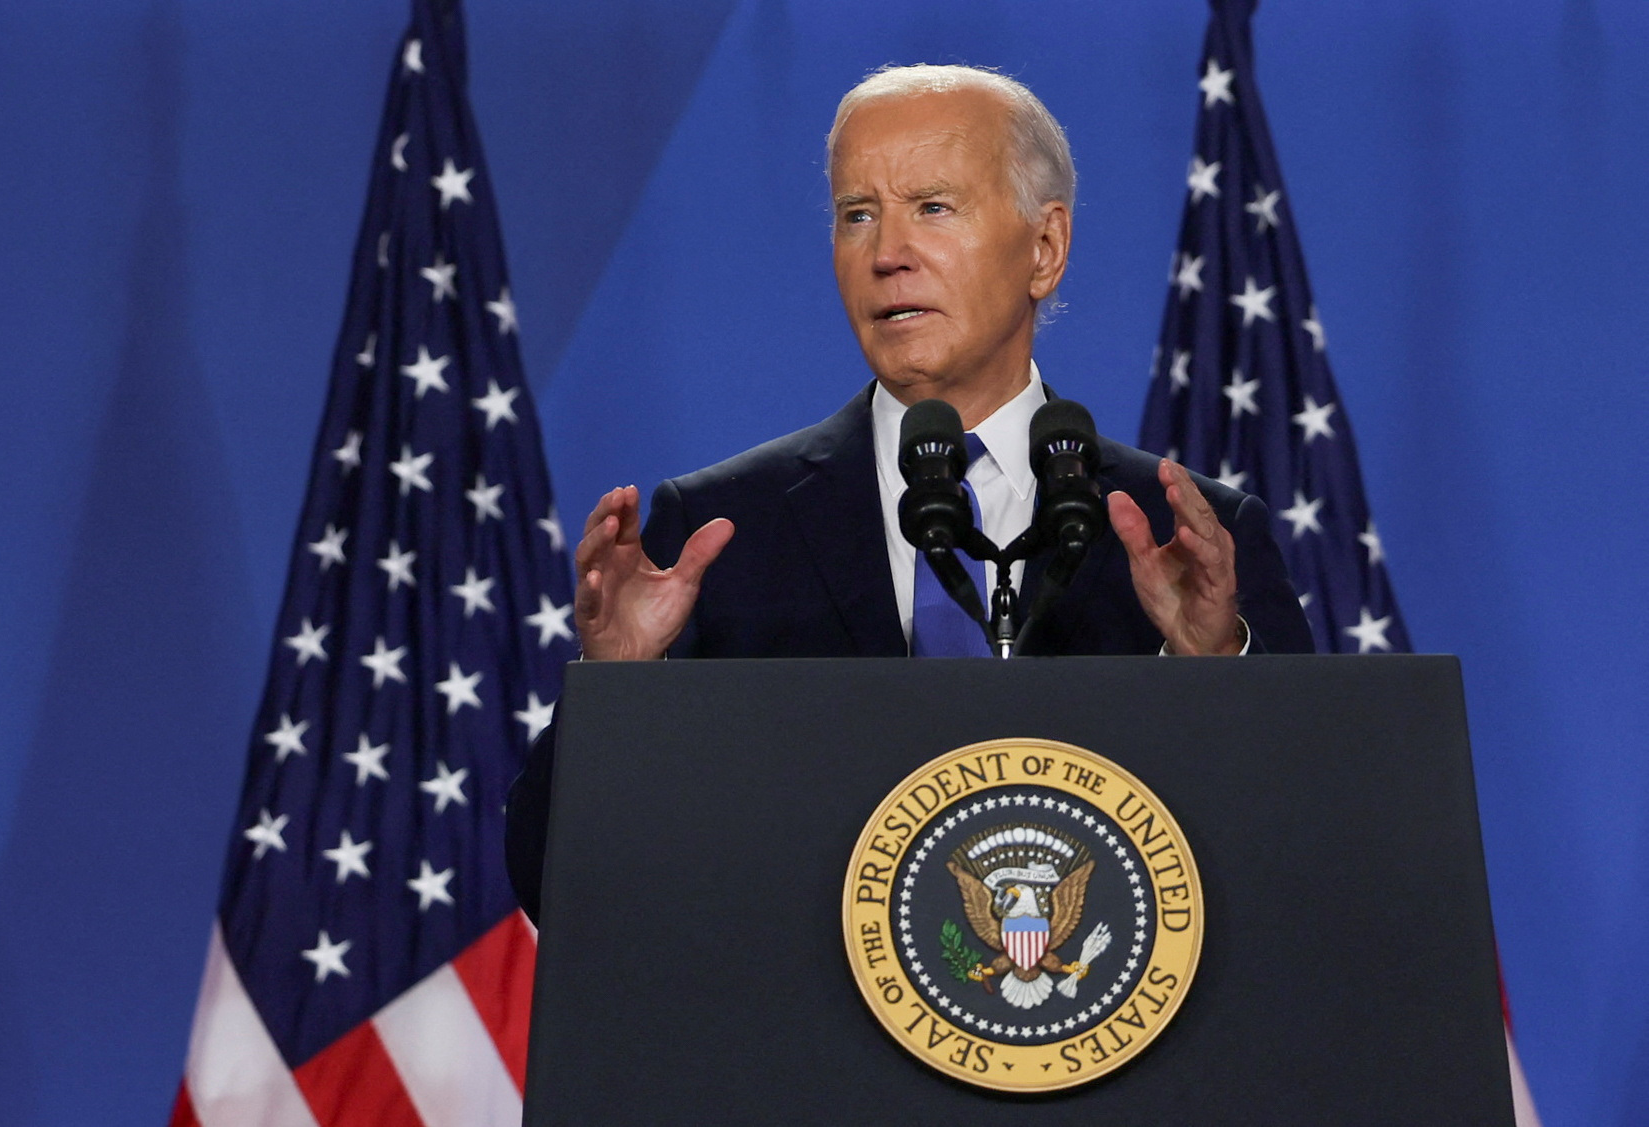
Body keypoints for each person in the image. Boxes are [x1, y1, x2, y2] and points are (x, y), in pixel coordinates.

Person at [507, 65, 1311, 920]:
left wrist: (1214, 671)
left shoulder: (1188, 540)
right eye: (858, 214)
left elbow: (1310, 859)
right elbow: (562, 892)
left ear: (1045, 248)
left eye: (933, 207)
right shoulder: (717, 536)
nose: (887, 254)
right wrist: (619, 688)